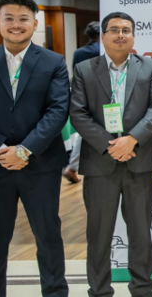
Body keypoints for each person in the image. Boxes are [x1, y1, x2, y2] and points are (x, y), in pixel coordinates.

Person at [0, 0, 70, 297]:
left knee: (48, 237)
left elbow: (57, 111)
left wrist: (24, 150)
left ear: (35, 23)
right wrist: (0, 150)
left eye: (23, 19)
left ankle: (55, 293)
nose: (16, 24)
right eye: (9, 18)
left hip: (40, 164)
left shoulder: (53, 62)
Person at [70, 12, 152, 297]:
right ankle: (99, 291)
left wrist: (132, 140)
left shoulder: (149, 66)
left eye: (126, 30)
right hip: (100, 163)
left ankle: (142, 289)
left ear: (134, 36)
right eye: (114, 30)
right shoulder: (85, 69)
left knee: (140, 232)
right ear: (103, 36)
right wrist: (111, 144)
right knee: (99, 234)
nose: (120, 35)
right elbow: (78, 113)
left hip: (139, 161)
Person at [63, 21, 101, 183]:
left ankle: (73, 166)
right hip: (101, 94)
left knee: (84, 131)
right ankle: (74, 166)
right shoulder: (102, 50)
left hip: (81, 93)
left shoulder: (79, 52)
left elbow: (75, 73)